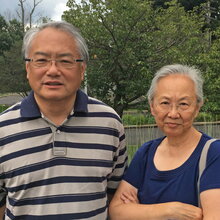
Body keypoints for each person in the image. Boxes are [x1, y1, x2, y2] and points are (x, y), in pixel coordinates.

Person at [0, 21, 127, 219]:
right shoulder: (3, 129)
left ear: (82, 69)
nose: (52, 70)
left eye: (65, 61)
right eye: (41, 60)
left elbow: (115, 195)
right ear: (28, 68)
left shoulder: (109, 123)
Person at [109, 64, 220, 220]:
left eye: (183, 104)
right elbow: (116, 212)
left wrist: (138, 211)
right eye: (165, 103)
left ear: (197, 107)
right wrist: (169, 210)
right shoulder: (146, 153)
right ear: (152, 106)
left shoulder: (213, 154)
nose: (173, 113)